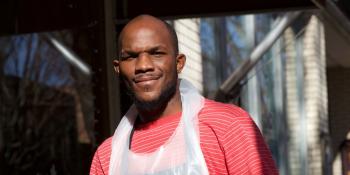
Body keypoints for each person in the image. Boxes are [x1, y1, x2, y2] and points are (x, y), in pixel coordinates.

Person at [90, 14, 278, 175]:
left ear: (179, 63)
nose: (143, 66)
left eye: (157, 53)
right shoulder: (107, 157)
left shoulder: (227, 126)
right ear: (117, 68)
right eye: (131, 56)